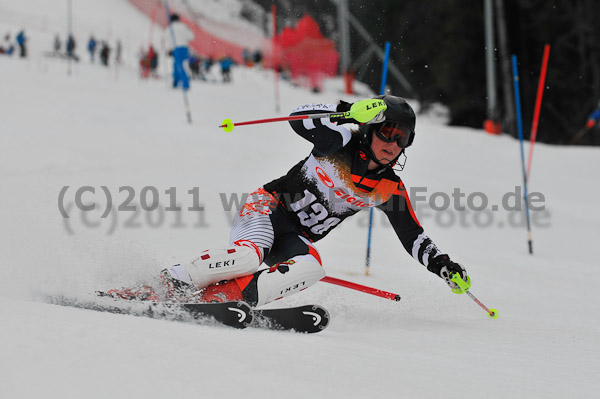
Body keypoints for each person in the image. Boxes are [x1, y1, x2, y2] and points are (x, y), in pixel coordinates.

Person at [109, 95, 471, 307]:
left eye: (402, 138)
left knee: (312, 267)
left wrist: (444, 266)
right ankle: (165, 283)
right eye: (387, 132)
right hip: (266, 209)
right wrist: (347, 110)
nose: (392, 143)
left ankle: (224, 297)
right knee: (249, 255)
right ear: (371, 129)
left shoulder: (389, 188)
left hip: (292, 239)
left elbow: (413, 237)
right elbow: (300, 119)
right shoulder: (340, 142)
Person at [167, 13, 194, 90]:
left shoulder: (171, 27)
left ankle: (185, 84)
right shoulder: (184, 26)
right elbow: (191, 37)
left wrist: (169, 47)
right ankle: (176, 83)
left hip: (177, 48)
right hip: (185, 48)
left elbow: (166, 37)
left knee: (178, 66)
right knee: (179, 65)